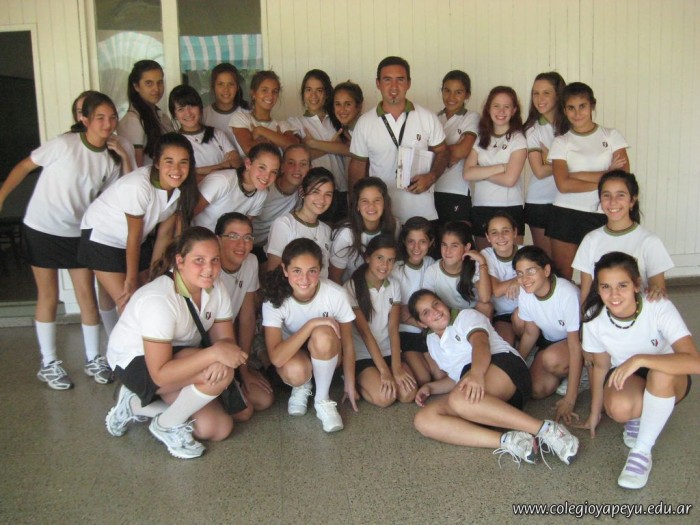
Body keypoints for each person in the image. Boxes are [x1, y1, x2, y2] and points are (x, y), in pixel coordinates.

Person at [0, 91, 129, 389]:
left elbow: (111, 197)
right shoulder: (63, 144)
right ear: (84, 119)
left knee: (87, 297)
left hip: (77, 233)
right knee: (48, 295)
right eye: (100, 117)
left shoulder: (111, 158)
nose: (107, 123)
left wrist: (124, 156)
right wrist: (2, 197)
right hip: (42, 228)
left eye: (112, 117)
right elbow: (24, 166)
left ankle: (93, 358)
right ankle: (49, 363)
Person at [104, 227, 247, 459]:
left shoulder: (216, 287)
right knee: (221, 374)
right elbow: (160, 374)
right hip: (136, 362)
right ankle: (165, 424)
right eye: (199, 260)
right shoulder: (159, 299)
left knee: (216, 429)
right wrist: (215, 355)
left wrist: (221, 355)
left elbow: (225, 340)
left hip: (178, 354)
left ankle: (134, 404)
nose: (209, 269)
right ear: (180, 261)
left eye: (214, 260)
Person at [409, 290, 579, 466]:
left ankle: (547, 430)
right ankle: (510, 441)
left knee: (460, 399)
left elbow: (481, 344)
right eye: (426, 312)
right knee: (424, 420)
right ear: (422, 323)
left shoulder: (465, 316)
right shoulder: (432, 341)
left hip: (504, 365)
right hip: (476, 382)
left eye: (436, 304)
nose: (435, 311)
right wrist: (431, 387)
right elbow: (457, 377)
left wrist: (476, 374)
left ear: (443, 302)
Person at [579, 252, 700, 489]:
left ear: (637, 285)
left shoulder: (657, 306)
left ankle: (642, 452)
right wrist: (595, 413)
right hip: (629, 377)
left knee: (660, 373)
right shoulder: (594, 316)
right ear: (598, 288)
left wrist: (640, 359)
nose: (614, 295)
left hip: (670, 377)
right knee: (619, 408)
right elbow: (601, 366)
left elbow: (695, 362)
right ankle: (640, 417)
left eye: (622, 285)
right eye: (605, 287)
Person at [78, 132, 198, 311]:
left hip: (137, 240)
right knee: (129, 300)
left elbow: (165, 235)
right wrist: (131, 279)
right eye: (169, 161)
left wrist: (153, 275)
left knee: (148, 292)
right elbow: (133, 235)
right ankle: (116, 330)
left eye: (183, 162)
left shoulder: (181, 189)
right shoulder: (138, 186)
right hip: (102, 236)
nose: (176, 169)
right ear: (157, 163)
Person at [261, 238, 359, 432]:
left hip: (328, 354)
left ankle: (322, 399)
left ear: (320, 270)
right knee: (297, 369)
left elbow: (348, 344)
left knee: (324, 333)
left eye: (312, 271)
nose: (304, 279)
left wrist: (350, 383)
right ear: (285, 270)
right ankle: (302, 386)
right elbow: (277, 357)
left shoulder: (336, 294)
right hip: (292, 357)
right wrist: (311, 323)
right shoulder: (274, 298)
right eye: (297, 271)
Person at [348, 56, 449, 224]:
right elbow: (357, 168)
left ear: (409, 83)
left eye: (400, 79)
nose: (394, 86)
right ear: (378, 83)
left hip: (421, 212)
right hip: (380, 215)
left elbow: (443, 152)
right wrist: (356, 210)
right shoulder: (365, 123)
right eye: (387, 79)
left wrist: (431, 177)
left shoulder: (427, 117)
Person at [547, 82, 630, 279]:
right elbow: (563, 185)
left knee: (604, 274)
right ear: (564, 110)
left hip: (602, 212)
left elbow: (621, 179)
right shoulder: (561, 142)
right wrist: (605, 177)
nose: (577, 113)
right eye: (571, 108)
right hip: (566, 213)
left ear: (592, 105)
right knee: (562, 276)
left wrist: (575, 174)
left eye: (582, 106)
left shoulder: (611, 136)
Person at [572, 170, 673, 305]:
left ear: (632, 201)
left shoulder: (650, 242)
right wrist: (585, 317)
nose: (613, 202)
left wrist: (656, 291)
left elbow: (658, 290)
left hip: (637, 314)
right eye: (606, 195)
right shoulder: (590, 240)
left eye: (620, 195)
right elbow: (586, 294)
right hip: (600, 314)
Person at [512, 246, 583, 424]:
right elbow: (531, 332)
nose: (524, 279)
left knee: (551, 359)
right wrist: (515, 364)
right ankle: (562, 370)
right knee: (536, 390)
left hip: (577, 342)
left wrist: (570, 398)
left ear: (546, 270)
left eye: (531, 271)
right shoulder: (526, 292)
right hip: (551, 342)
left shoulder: (567, 293)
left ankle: (583, 374)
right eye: (519, 274)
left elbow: (574, 345)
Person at [344, 235, 417, 407]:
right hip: (364, 354)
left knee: (408, 394)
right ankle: (358, 381)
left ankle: (381, 376)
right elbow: (365, 334)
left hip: (388, 351)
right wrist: (384, 371)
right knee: (386, 398)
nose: (385, 265)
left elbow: (393, 329)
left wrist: (396, 368)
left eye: (390, 260)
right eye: (380, 258)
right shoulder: (351, 287)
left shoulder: (394, 285)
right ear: (368, 258)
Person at [215, 213, 274, 418]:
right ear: (218, 240)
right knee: (244, 413)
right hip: (205, 345)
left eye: (248, 237)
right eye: (233, 236)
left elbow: (247, 316)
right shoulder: (209, 267)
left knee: (262, 399)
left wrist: (244, 368)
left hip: (228, 342)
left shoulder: (251, 261)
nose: (241, 244)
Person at [463, 86, 527, 250]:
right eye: (496, 106)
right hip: (481, 206)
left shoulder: (518, 139)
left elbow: (510, 180)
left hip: (510, 206)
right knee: (485, 260)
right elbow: (467, 173)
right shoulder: (480, 138)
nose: (501, 111)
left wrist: (480, 171)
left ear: (514, 110)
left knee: (513, 260)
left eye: (507, 106)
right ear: (488, 109)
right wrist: (502, 167)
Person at [287, 69, 348, 223]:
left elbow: (350, 150)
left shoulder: (337, 119)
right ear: (303, 93)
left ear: (326, 94)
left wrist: (312, 143)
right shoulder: (295, 123)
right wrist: (333, 146)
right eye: (308, 90)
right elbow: (301, 158)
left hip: (341, 190)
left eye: (319, 90)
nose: (313, 95)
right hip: (313, 194)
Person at [391, 217, 442, 387]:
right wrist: (417, 320)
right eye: (411, 241)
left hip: (427, 332)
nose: (416, 247)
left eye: (422, 242)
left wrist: (410, 312)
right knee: (423, 378)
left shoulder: (431, 264)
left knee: (440, 374)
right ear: (404, 241)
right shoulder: (396, 268)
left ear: (431, 243)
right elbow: (394, 311)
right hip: (404, 332)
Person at [523, 72, 568, 257]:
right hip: (540, 202)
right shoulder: (532, 128)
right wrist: (567, 164)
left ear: (558, 95)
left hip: (568, 201)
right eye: (535, 93)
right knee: (546, 262)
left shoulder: (573, 124)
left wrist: (551, 159)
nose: (539, 99)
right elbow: (540, 171)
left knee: (565, 264)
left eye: (546, 93)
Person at [192, 142, 281, 233]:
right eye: (262, 167)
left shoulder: (262, 194)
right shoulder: (222, 181)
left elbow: (243, 230)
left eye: (274, 172)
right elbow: (188, 215)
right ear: (248, 164)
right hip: (196, 236)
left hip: (224, 240)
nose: (267, 176)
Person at [264, 167, 335, 276]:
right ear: (302, 191)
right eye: (316, 192)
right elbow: (273, 273)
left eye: (328, 194)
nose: (322, 199)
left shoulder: (327, 230)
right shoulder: (284, 224)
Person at [329, 177, 397, 284]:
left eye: (377, 200)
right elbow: (335, 278)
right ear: (357, 205)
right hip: (350, 290)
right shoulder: (346, 234)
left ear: (384, 203)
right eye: (365, 201)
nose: (371, 206)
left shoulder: (393, 225)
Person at [251, 144, 311, 262]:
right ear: (282, 167)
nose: (297, 169)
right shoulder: (264, 188)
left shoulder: (305, 194)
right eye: (291, 163)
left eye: (303, 164)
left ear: (310, 168)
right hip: (247, 245)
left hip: (270, 250)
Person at [168, 84, 242, 179]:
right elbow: (182, 174)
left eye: (192, 106)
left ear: (200, 108)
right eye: (181, 109)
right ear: (174, 114)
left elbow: (237, 162)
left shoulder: (216, 134)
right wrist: (222, 166)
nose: (188, 113)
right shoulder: (173, 142)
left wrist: (198, 171)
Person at [434, 70, 479, 226]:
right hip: (432, 189)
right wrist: (450, 153)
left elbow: (463, 150)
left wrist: (438, 153)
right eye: (447, 91)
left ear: (467, 95)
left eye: (458, 92)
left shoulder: (471, 117)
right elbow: (425, 154)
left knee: (457, 237)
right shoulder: (434, 118)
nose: (451, 97)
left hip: (457, 191)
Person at [423, 221, 492, 318]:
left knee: (486, 306)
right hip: (446, 316)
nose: (447, 251)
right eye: (444, 245)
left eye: (454, 246)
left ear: (467, 247)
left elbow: (485, 299)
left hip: (472, 316)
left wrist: (482, 262)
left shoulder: (475, 267)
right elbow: (426, 304)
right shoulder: (432, 271)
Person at [117, 60, 174, 167]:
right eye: (149, 83)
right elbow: (136, 168)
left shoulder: (162, 116)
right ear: (136, 86)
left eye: (159, 82)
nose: (156, 89)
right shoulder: (132, 121)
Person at [229, 70, 299, 156]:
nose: (270, 96)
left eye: (274, 91)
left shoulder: (282, 125)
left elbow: (295, 148)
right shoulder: (241, 118)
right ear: (253, 94)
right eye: (264, 90)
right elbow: (249, 150)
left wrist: (260, 130)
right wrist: (278, 139)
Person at [480, 213, 523, 346]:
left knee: (519, 318)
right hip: (502, 314)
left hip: (525, 311)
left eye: (506, 231)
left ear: (515, 232)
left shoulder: (526, 252)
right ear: (488, 237)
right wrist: (519, 278)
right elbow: (496, 290)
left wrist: (518, 280)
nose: (500, 237)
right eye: (494, 232)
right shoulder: (486, 254)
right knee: (504, 345)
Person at [202, 63, 249, 147]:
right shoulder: (204, 115)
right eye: (220, 84)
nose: (226, 89)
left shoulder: (247, 113)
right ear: (213, 87)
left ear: (237, 87)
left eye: (230, 84)